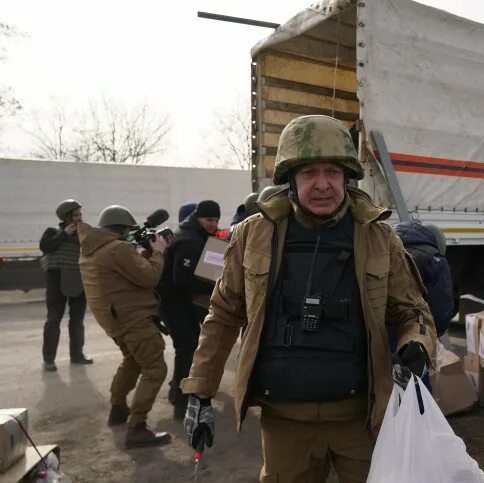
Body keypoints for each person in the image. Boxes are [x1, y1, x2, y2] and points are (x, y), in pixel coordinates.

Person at [180, 115, 436, 483]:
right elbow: (222, 315)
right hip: (285, 423)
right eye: (309, 173)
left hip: (360, 419)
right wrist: (201, 392)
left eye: (332, 172)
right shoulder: (252, 235)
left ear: (346, 177)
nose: (322, 185)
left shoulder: (379, 237)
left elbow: (413, 311)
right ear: (290, 178)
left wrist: (416, 344)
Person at [78, 205, 171, 448]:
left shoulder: (93, 248)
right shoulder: (118, 249)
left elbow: (125, 274)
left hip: (114, 320)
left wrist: (142, 253)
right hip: (133, 320)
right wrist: (158, 252)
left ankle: (118, 408)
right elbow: (149, 277)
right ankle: (137, 427)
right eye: (128, 231)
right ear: (120, 229)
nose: (130, 235)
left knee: (132, 361)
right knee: (155, 369)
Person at [158, 200, 220, 420]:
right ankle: (182, 405)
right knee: (187, 348)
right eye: (208, 219)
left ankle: (178, 395)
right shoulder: (189, 240)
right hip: (174, 302)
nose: (213, 223)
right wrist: (215, 286)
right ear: (198, 217)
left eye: (215, 219)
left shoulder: (200, 236)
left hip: (184, 302)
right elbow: (182, 280)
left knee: (190, 347)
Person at [39, 199, 92, 371]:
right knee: (54, 319)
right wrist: (63, 235)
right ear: (66, 217)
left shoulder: (84, 234)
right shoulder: (52, 231)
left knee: (77, 320)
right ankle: (49, 359)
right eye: (75, 215)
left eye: (80, 214)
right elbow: (45, 247)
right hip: (56, 280)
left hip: (79, 279)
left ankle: (77, 355)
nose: (79, 218)